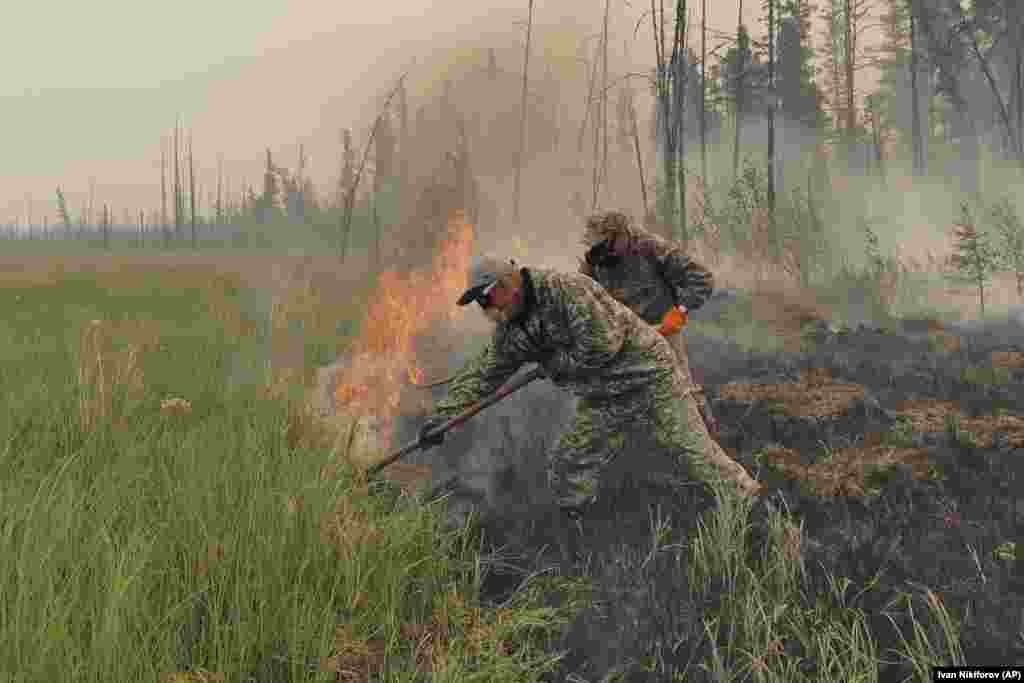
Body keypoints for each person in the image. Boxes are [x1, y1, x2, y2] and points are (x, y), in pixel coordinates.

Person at [418, 254, 762, 569]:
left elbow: (603, 344)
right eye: (478, 301)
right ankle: (582, 540)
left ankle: (759, 516)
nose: (484, 306)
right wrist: (443, 418)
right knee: (569, 463)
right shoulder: (513, 329)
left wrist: (553, 362)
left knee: (694, 452)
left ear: (507, 284)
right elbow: (486, 373)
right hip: (606, 396)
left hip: (649, 377)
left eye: (486, 297)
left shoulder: (565, 290)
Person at [578, 210, 719, 436]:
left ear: (622, 235)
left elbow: (702, 278)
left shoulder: (651, 247)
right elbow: (584, 300)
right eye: (597, 247)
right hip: (622, 335)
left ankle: (708, 437)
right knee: (610, 396)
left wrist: (679, 311)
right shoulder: (595, 259)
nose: (602, 252)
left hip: (661, 330)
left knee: (682, 392)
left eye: (606, 245)